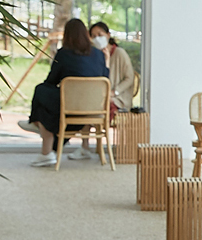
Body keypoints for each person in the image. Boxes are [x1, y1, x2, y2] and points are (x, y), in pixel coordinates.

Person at [20, 17, 108, 167]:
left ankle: (37, 127)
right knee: (51, 104)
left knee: (41, 91)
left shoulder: (63, 54)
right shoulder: (99, 55)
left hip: (70, 105)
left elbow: (51, 81)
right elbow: (105, 79)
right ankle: (47, 149)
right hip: (94, 107)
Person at [70, 21, 136, 159]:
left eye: (100, 35)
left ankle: (96, 145)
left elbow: (129, 78)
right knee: (86, 105)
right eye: (93, 36)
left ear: (108, 35)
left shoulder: (119, 53)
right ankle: (85, 146)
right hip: (98, 96)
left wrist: (115, 92)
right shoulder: (93, 55)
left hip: (118, 97)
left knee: (102, 106)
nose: (97, 39)